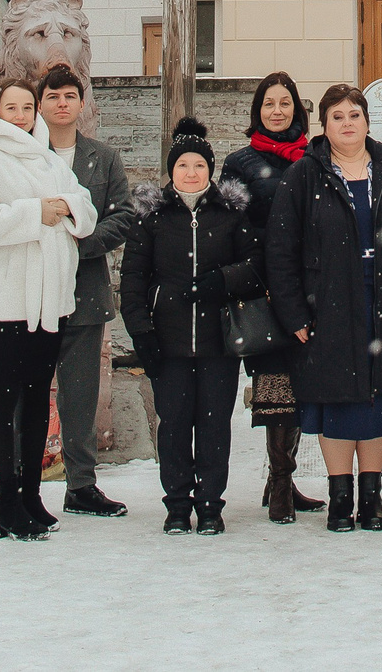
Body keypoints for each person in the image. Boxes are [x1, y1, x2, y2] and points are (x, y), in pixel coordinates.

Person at [266, 85, 382, 533]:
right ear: (324, 125)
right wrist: (294, 313)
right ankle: (340, 495)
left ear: (367, 121)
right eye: (337, 117)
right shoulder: (304, 175)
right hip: (327, 302)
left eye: (354, 115)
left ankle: (371, 497)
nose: (347, 123)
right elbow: (280, 250)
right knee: (338, 402)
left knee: (379, 400)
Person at [0, 76, 98, 541]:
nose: (19, 116)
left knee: (39, 396)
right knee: (6, 397)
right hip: (7, 300)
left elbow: (85, 208)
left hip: (51, 299)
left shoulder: (48, 157)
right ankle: (5, 501)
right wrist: (34, 212)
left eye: (25, 108)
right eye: (11, 108)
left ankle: (32, 495)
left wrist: (67, 207)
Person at [119, 118, 249, 535]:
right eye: (182, 165)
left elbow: (253, 266)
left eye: (199, 165)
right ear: (170, 170)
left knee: (214, 425)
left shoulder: (230, 214)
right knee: (174, 425)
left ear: (210, 170)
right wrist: (142, 332)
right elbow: (132, 279)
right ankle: (177, 504)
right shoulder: (152, 217)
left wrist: (222, 281)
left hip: (218, 342)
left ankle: (210, 504)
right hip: (168, 341)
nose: (191, 173)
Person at [219, 72, 323, 523]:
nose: (277, 111)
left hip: (311, 287)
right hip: (264, 287)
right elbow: (230, 227)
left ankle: (284, 478)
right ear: (257, 111)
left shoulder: (316, 156)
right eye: (269, 104)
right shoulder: (239, 163)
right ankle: (280, 482)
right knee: (275, 384)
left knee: (301, 384)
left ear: (297, 109)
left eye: (285, 103)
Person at [34, 63, 134, 522]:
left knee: (79, 397)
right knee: (25, 394)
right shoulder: (25, 155)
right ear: (40, 104)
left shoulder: (103, 157)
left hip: (84, 292)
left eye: (69, 96)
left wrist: (80, 241)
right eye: (53, 96)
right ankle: (13, 485)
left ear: (81, 103)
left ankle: (81, 485)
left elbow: (123, 215)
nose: (62, 103)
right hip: (33, 291)